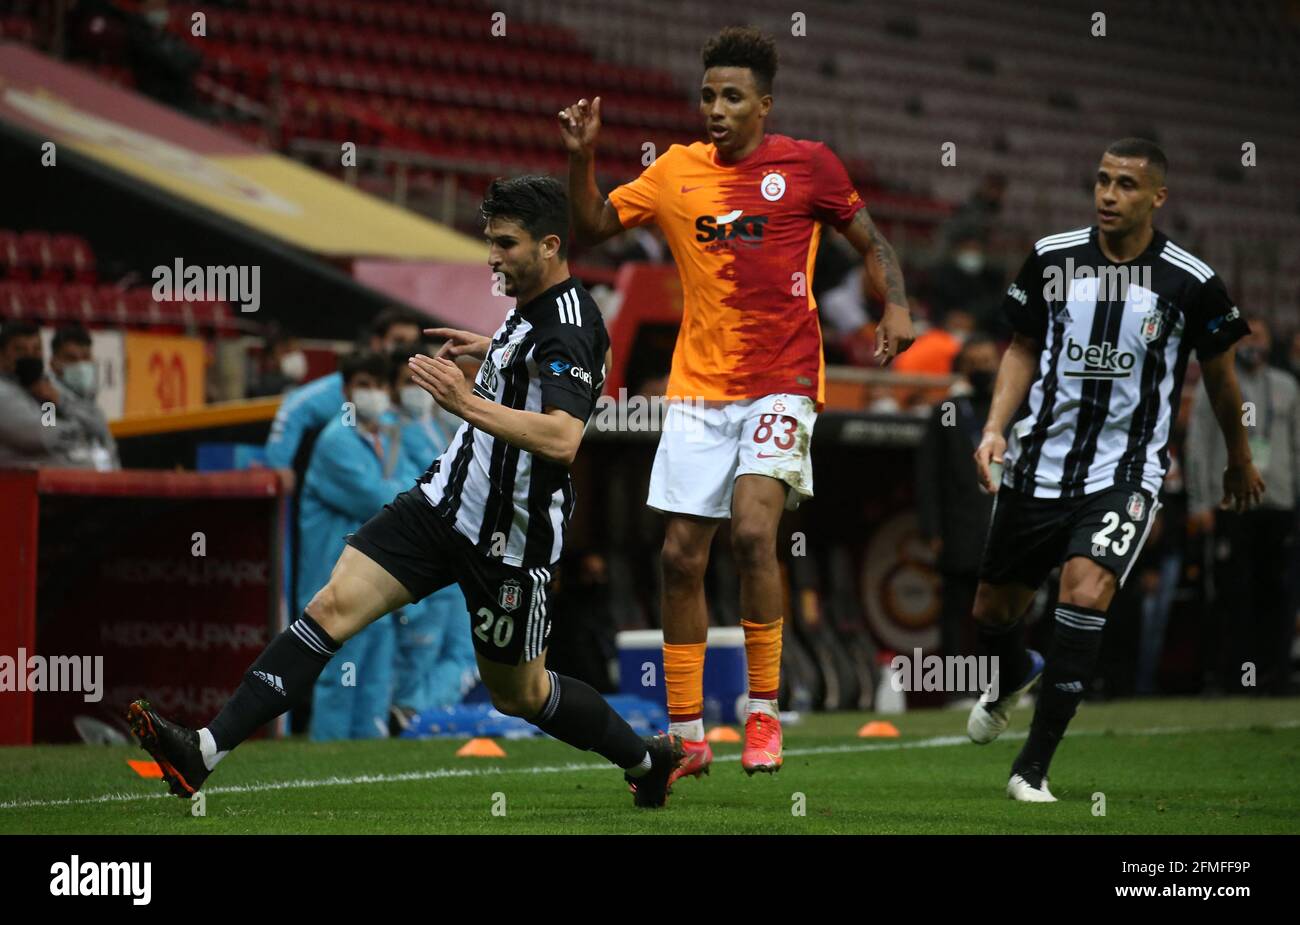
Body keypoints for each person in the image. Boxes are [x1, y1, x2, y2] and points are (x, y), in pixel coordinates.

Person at [128, 176, 685, 808]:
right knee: (332, 607)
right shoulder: (532, 308)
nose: (493, 256)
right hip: (442, 502)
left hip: (510, 539)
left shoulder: (571, 327)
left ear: (551, 245)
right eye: (490, 241)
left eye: (506, 243)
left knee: (520, 694)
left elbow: (561, 439)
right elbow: (537, 366)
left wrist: (464, 400)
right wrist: (496, 353)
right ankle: (203, 751)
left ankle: (645, 760)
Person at [560, 26, 915, 783]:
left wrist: (897, 307)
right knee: (680, 555)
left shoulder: (808, 165)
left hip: (783, 378)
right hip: (698, 390)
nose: (714, 109)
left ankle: (762, 713)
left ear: (764, 105)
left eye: (731, 97)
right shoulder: (674, 173)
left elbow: (873, 240)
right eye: (707, 95)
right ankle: (688, 735)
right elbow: (591, 225)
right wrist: (582, 154)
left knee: (755, 534)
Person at [967, 138, 1264, 801]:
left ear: (1158, 196)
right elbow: (1020, 348)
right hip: (1037, 465)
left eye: (1126, 185)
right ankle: (1012, 671)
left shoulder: (1191, 279)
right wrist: (993, 428)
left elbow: (1219, 375)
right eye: (1102, 181)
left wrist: (1239, 458)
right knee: (992, 609)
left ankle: (1032, 767)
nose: (1108, 194)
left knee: (1085, 590)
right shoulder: (1052, 258)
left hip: (1125, 472)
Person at [1186, 318, 1298, 695]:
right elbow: (1198, 444)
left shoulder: (1287, 387)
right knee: (1235, 596)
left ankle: (1273, 677)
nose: (1253, 342)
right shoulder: (1214, 382)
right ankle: (1237, 677)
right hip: (1230, 505)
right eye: (1245, 335)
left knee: (1277, 596)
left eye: (1260, 336)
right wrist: (1198, 501)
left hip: (1278, 503)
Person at [298, 351, 406, 740]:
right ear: (345, 390)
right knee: (339, 685)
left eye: (380, 386)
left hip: (375, 581)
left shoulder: (384, 437)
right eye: (364, 385)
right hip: (334, 582)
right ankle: (326, 770)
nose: (373, 394)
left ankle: (367, 777)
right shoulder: (335, 441)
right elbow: (380, 500)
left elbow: (415, 489)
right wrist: (406, 495)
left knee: (375, 683)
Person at [387, 345, 477, 728]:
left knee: (464, 654)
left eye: (421, 378)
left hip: (458, 550)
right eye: (407, 381)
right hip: (421, 547)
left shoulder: (446, 426)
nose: (416, 388)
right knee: (420, 652)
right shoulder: (392, 433)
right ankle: (408, 711)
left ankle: (416, 713)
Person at [916, 334, 1001, 672]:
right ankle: (955, 686)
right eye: (975, 364)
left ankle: (1003, 681)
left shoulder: (1006, 410)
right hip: (959, 527)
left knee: (1002, 609)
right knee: (955, 608)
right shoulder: (949, 412)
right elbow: (928, 475)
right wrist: (931, 530)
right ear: (963, 369)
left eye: (987, 362)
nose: (982, 369)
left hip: (1000, 523)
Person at [263, 308, 423, 470]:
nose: (407, 350)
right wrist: (279, 465)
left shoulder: (410, 390)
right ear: (376, 342)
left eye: (413, 343)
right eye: (399, 341)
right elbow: (292, 408)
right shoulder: (347, 386)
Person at [0, 321, 74, 468]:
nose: (30, 356)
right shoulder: (2, 392)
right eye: (21, 350)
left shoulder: (39, 389)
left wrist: (49, 402)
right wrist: (74, 430)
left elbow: (49, 426)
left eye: (36, 350)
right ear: (2, 355)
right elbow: (43, 438)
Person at [48, 324, 119, 471]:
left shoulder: (92, 406)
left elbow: (110, 453)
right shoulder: (45, 403)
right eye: (71, 359)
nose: (80, 365)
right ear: (54, 363)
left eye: (86, 357)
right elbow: (48, 443)